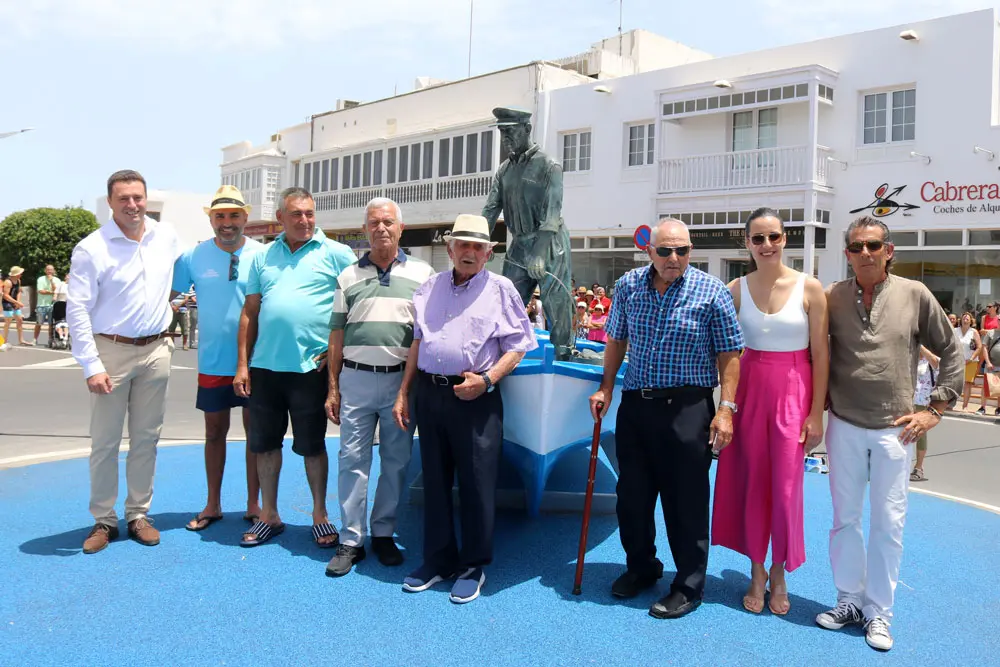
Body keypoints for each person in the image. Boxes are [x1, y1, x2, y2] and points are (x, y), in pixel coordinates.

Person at [815, 216, 962, 652]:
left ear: (889, 250)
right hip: (842, 424)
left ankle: (879, 612)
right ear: (846, 254)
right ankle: (848, 601)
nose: (865, 253)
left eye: (873, 245)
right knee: (844, 520)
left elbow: (952, 349)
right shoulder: (833, 298)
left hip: (895, 430)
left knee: (888, 524)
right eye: (857, 246)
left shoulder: (914, 295)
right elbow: (813, 352)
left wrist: (935, 410)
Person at [589, 218, 744, 620]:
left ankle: (688, 585)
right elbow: (617, 339)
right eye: (665, 251)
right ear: (649, 251)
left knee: (686, 502)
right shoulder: (627, 286)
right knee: (632, 498)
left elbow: (730, 354)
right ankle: (642, 567)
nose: (674, 258)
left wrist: (726, 409)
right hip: (637, 407)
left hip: (688, 409)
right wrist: (606, 387)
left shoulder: (711, 291)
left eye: (683, 251)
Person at [391, 214, 536, 604]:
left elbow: (519, 346)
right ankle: (438, 561)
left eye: (478, 247)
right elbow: (417, 344)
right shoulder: (428, 288)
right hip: (430, 394)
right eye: (463, 245)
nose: (469, 252)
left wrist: (487, 380)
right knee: (435, 482)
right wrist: (405, 392)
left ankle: (473, 565)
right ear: (450, 248)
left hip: (476, 396)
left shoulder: (501, 289)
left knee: (476, 484)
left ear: (489, 253)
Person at [711, 208, 829, 616]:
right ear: (747, 243)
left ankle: (780, 571)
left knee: (785, 487)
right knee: (751, 482)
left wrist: (817, 413)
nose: (766, 245)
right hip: (748, 392)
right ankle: (757, 570)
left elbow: (821, 354)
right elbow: (724, 351)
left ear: (785, 240)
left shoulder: (810, 288)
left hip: (794, 391)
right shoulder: (735, 289)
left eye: (774, 237)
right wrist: (722, 408)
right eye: (758, 238)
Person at [234, 187, 357, 548]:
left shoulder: (336, 253)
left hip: (311, 369)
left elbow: (358, 304)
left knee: (312, 446)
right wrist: (243, 365)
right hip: (265, 369)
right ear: (280, 218)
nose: (304, 220)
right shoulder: (262, 257)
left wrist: (339, 350)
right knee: (266, 445)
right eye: (296, 214)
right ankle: (269, 514)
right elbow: (250, 312)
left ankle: (320, 515)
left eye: (309, 213)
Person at [67, 170, 181, 554]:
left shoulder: (166, 237)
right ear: (111, 202)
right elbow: (78, 311)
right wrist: (91, 365)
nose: (132, 205)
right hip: (111, 351)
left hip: (155, 351)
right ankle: (103, 519)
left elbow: (177, 281)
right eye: (123, 199)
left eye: (138, 197)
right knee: (105, 441)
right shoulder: (91, 248)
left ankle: (138, 514)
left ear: (146, 198)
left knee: (147, 439)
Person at [323, 198, 434, 577]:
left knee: (396, 461)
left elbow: (425, 335)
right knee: (352, 460)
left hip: (401, 384)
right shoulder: (348, 276)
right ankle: (351, 539)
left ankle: (383, 532)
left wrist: (408, 386)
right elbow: (336, 334)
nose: (381, 228)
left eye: (388, 222)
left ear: (401, 228)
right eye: (374, 223)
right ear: (365, 229)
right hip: (355, 378)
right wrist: (333, 388)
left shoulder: (423, 274)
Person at [172, 185, 265, 533]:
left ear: (245, 217)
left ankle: (254, 503)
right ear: (211, 219)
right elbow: (166, 296)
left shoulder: (263, 254)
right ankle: (213, 503)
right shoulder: (192, 256)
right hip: (212, 361)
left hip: (256, 361)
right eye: (220, 216)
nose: (227, 223)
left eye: (234, 215)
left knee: (255, 434)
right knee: (214, 433)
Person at [482, 107, 574, 359]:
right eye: (502, 133)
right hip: (519, 243)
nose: (505, 139)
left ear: (527, 129)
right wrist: (479, 242)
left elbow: (552, 214)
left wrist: (539, 253)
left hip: (550, 242)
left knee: (556, 301)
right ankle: (504, 355)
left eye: (510, 132)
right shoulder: (504, 170)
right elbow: (490, 209)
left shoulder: (548, 165)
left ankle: (564, 353)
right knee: (507, 301)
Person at [910, 346, 939, 482]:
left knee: (920, 434)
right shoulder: (912, 358)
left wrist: (921, 346)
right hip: (907, 400)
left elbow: (935, 362)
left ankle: (919, 467)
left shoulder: (932, 359)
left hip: (923, 401)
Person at [956, 312, 981, 411]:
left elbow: (979, 347)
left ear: (971, 321)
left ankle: (965, 406)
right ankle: (950, 404)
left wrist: (971, 358)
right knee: (954, 383)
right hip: (957, 361)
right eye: (964, 317)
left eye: (968, 318)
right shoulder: (955, 330)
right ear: (961, 320)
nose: (966, 319)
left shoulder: (974, 332)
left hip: (971, 361)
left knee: (967, 384)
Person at [2, 266, 30, 347]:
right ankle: (4, 341)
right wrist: (16, 302)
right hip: (7, 303)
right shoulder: (8, 282)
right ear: (16, 274)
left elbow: (18, 292)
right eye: (20, 273)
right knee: (8, 321)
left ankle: (21, 340)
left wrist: (18, 302)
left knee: (20, 320)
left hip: (14, 302)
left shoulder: (18, 281)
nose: (21, 275)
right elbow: (6, 296)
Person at [34, 264, 60, 346]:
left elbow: (56, 290)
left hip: (52, 305)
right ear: (45, 270)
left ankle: (50, 339)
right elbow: (40, 291)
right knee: (39, 323)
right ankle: (35, 339)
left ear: (54, 271)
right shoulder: (40, 279)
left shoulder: (57, 280)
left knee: (51, 324)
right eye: (48, 270)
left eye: (51, 270)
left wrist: (51, 281)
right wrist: (52, 293)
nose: (49, 271)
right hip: (41, 305)